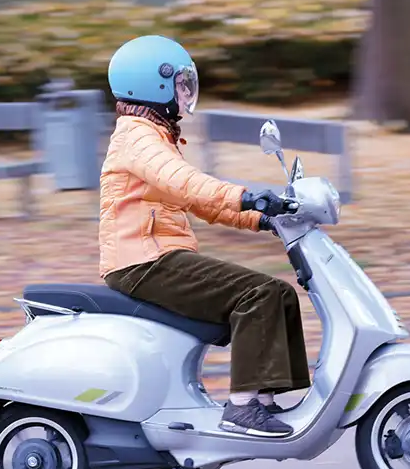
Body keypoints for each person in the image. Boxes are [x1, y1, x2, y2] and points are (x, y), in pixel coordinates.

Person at [98, 35, 310, 438]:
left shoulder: (154, 136)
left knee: (279, 294)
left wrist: (261, 219)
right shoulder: (137, 137)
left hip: (156, 256)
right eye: (180, 84)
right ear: (152, 85)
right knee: (257, 293)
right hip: (142, 261)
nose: (185, 93)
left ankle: (263, 398)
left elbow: (200, 204)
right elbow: (186, 184)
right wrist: (245, 196)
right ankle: (244, 407)